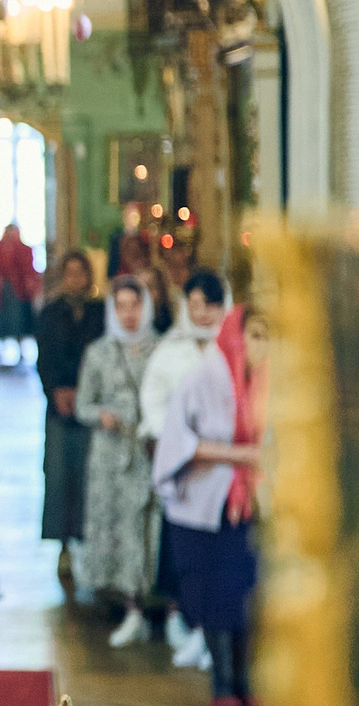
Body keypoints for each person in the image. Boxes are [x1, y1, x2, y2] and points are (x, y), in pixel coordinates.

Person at [154, 303, 269, 706]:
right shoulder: (203, 376)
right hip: (209, 502)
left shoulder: (269, 382)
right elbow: (178, 443)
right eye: (255, 335)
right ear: (237, 334)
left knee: (250, 596)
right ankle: (223, 684)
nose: (262, 346)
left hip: (254, 503)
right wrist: (239, 454)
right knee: (221, 597)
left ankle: (247, 682)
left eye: (269, 336)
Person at [141, 269, 229, 670]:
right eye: (195, 304)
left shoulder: (234, 349)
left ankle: (214, 632)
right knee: (186, 552)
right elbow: (154, 402)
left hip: (225, 466)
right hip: (184, 465)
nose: (204, 313)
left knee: (222, 556)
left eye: (211, 304)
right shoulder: (170, 350)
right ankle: (189, 622)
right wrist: (178, 443)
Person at [76, 276, 162, 645]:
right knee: (122, 531)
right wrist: (102, 416)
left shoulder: (163, 349)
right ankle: (130, 608)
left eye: (135, 306)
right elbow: (82, 405)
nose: (129, 315)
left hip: (151, 455)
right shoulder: (99, 352)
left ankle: (160, 605)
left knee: (151, 528)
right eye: (121, 307)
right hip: (111, 458)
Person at [34, 250, 104, 597]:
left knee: (91, 474)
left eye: (81, 273)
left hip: (92, 405)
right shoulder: (50, 313)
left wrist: (88, 393)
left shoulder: (100, 312)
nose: (76, 279)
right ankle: (63, 543)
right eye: (70, 273)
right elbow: (43, 358)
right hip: (59, 406)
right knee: (60, 473)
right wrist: (55, 392)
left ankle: (91, 542)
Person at [0, 220, 41, 367]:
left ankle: (20, 351)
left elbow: (28, 269)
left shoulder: (25, 250)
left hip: (17, 293)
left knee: (18, 321)